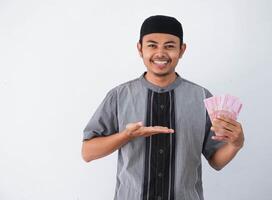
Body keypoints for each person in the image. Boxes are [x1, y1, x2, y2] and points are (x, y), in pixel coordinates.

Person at [82, 15, 244, 200]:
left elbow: (216, 161)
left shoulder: (202, 97)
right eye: (152, 45)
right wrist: (126, 136)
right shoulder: (119, 96)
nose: (160, 53)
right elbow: (87, 152)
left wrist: (235, 144)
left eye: (169, 46)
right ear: (140, 48)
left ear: (182, 50)